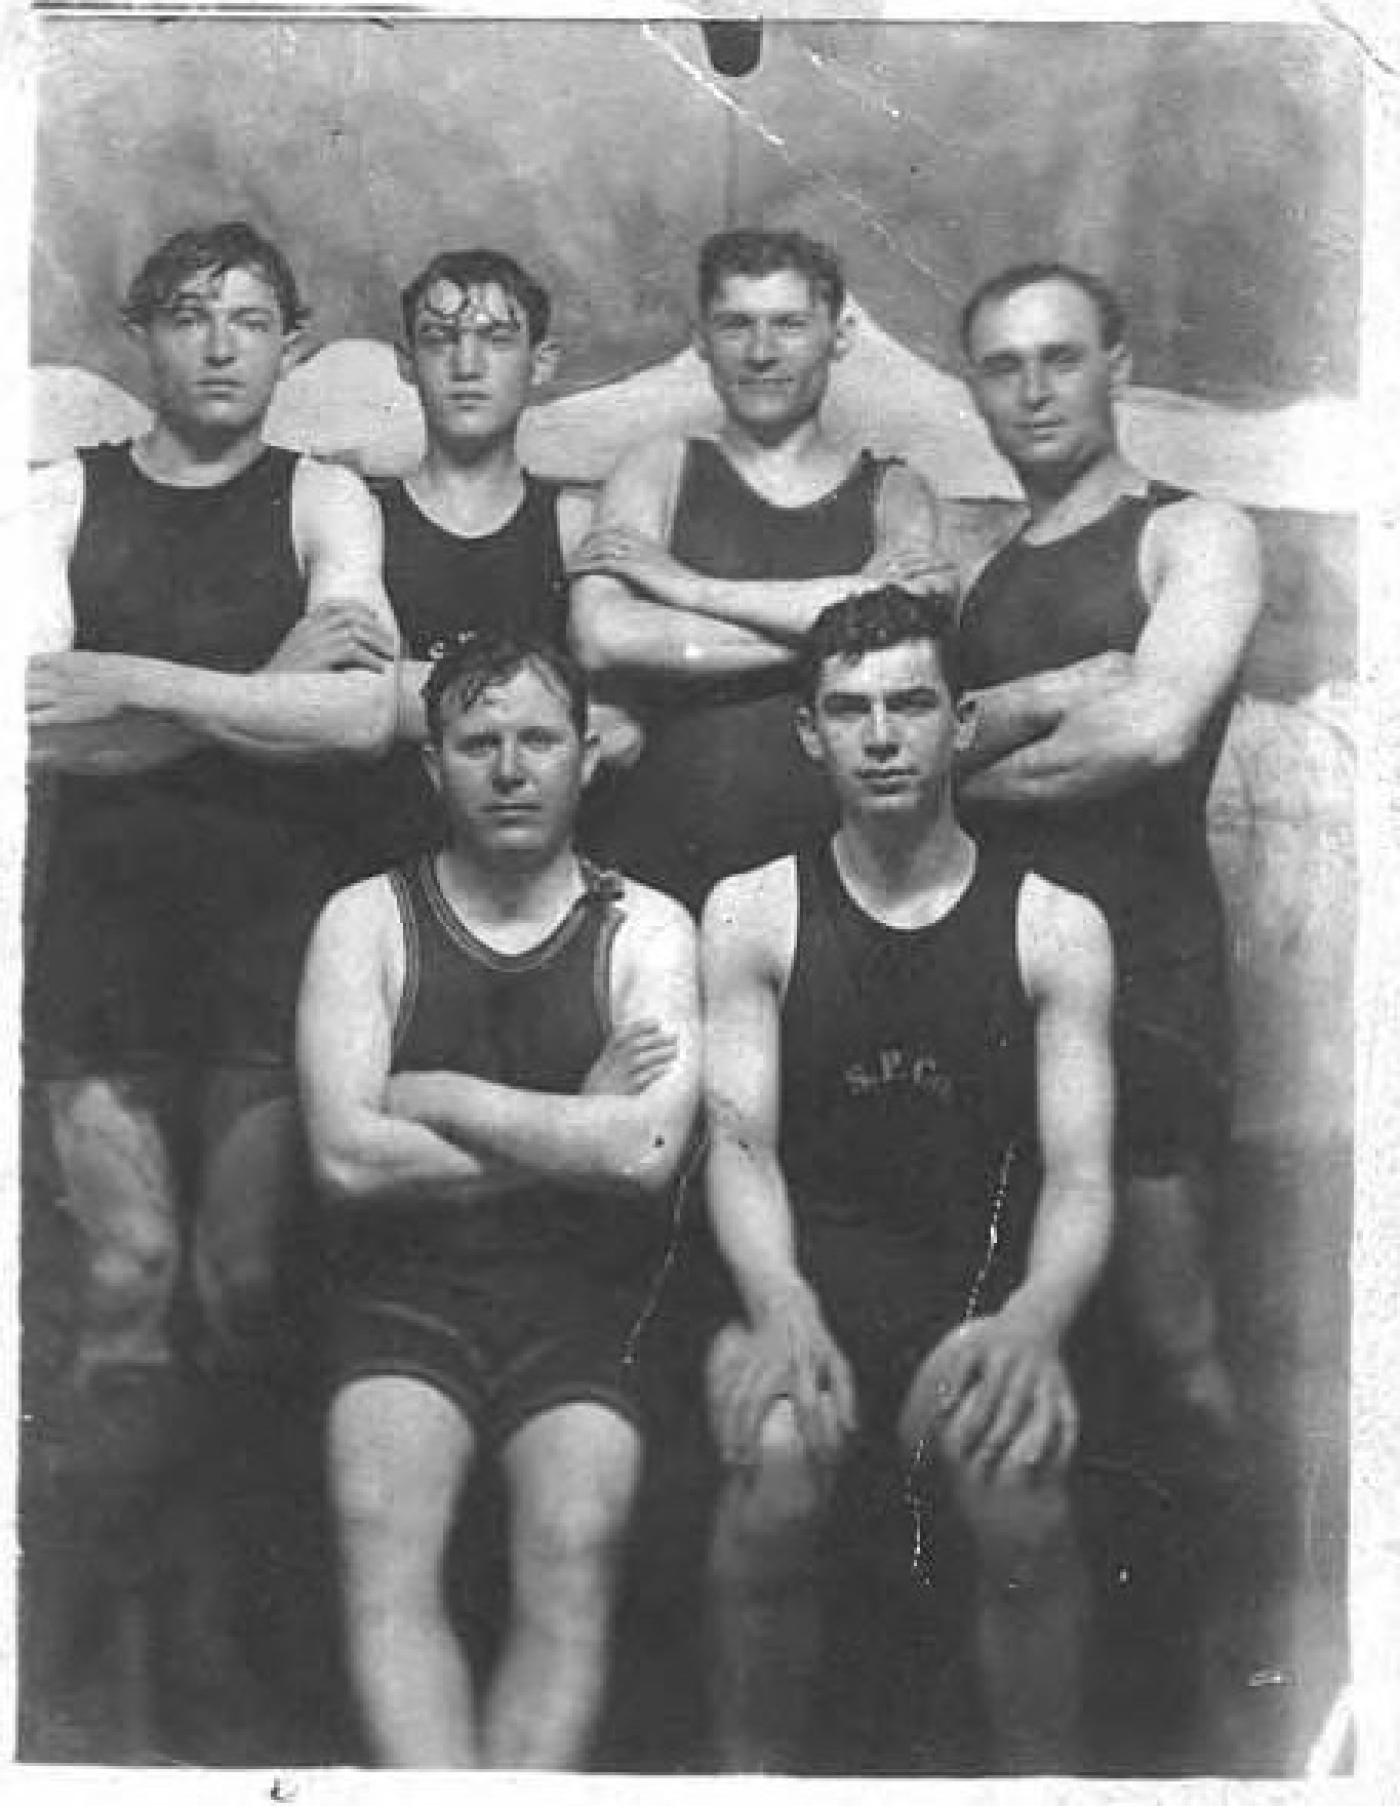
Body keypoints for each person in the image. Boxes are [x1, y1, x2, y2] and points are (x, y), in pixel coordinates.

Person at [23, 219, 398, 1751]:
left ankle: (239, 1666)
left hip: (265, 941)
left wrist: (137, 681)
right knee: (124, 1284)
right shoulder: (58, 495)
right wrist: (264, 686)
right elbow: (28, 727)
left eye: (252, 316)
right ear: (144, 338)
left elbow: (368, 718)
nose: (221, 343)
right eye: (189, 316)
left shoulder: (328, 498)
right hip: (101, 940)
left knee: (244, 1294)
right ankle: (83, 1682)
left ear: (293, 342)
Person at [700, 587, 1115, 1773]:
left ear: (961, 720)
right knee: (775, 1474)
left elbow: (1081, 1175)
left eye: (908, 705)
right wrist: (778, 1302)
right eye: (847, 711)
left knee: (1016, 1494)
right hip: (797, 1275)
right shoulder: (751, 911)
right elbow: (738, 1145)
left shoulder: (1054, 925)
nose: (879, 736)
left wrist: (1033, 1321)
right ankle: (745, 1784)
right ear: (806, 733)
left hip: (973, 1289)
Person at [297, 631, 702, 1768]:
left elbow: (648, 1153)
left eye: (537, 739)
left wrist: (440, 1094)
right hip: (405, 1290)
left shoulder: (647, 927)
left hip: (584, 1295)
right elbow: (342, 1160)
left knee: (574, 1538)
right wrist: (570, 1118)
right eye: (478, 743)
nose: (510, 768)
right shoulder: (364, 919)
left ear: (586, 755)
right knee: (382, 1529)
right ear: (433, 769)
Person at [953, 262, 1263, 1468]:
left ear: (1117, 366)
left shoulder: (1194, 532)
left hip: (1146, 970)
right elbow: (924, 734)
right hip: (999, 977)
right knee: (1014, 1333)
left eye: (1060, 357)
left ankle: (1225, 1642)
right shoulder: (983, 569)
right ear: (975, 391)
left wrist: (956, 786)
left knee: (1171, 1336)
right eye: (1001, 365)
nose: (1032, 390)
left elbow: (1149, 729)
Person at [569, 226, 952, 913]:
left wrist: (687, 589)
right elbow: (604, 635)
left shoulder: (894, 490)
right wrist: (839, 628)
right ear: (700, 339)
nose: (762, 352)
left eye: (789, 325)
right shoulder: (658, 467)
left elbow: (903, 636)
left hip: (846, 883)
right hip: (660, 866)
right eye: (736, 324)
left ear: (838, 335)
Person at [337, 246, 638, 879]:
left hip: (543, 877)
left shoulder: (575, 522)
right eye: (440, 339)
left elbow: (624, 730)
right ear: (406, 363)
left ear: (542, 362)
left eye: (497, 340)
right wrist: (544, 717)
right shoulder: (356, 515)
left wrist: (402, 697)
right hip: (380, 863)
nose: (466, 365)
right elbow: (342, 704)